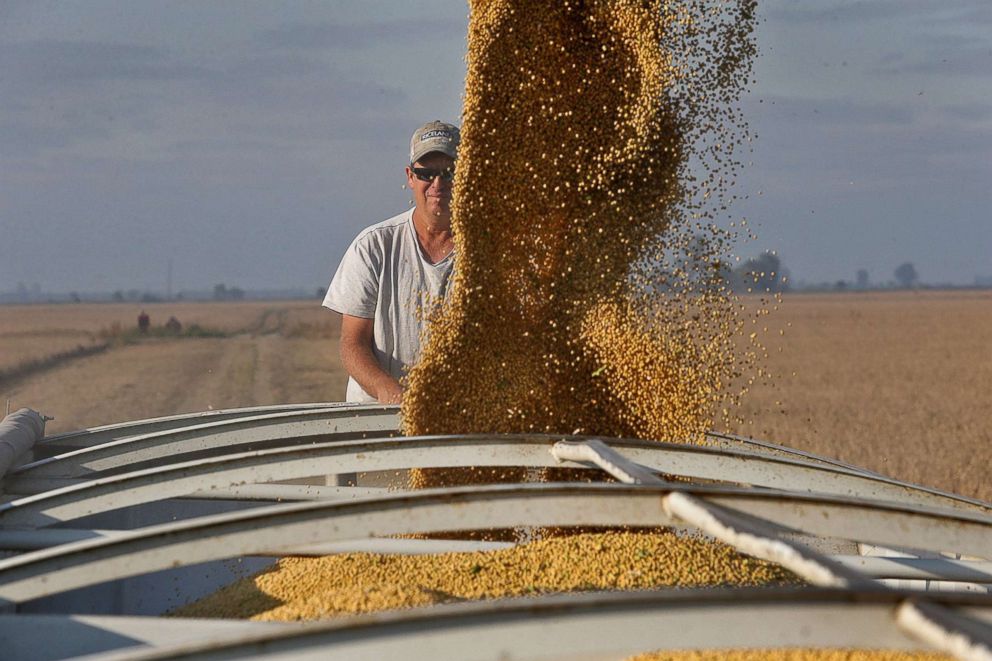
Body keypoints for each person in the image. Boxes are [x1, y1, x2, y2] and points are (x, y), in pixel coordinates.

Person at [323, 120, 459, 403]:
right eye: (426, 174)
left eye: (448, 173)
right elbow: (353, 343)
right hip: (376, 423)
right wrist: (388, 390)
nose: (437, 185)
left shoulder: (487, 253)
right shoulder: (375, 246)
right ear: (410, 177)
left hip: (458, 421)